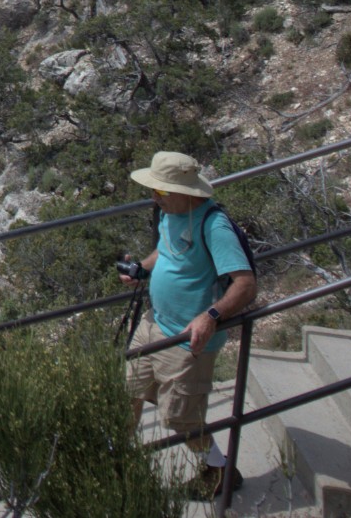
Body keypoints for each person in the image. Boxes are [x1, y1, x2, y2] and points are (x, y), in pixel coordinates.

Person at [121, 150, 257, 500]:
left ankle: (220, 471)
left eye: (161, 191)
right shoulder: (171, 213)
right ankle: (116, 455)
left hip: (186, 341)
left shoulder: (213, 225)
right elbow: (165, 251)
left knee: (180, 418)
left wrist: (210, 316)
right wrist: (142, 268)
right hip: (154, 324)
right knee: (127, 394)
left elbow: (245, 284)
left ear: (188, 192)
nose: (154, 196)